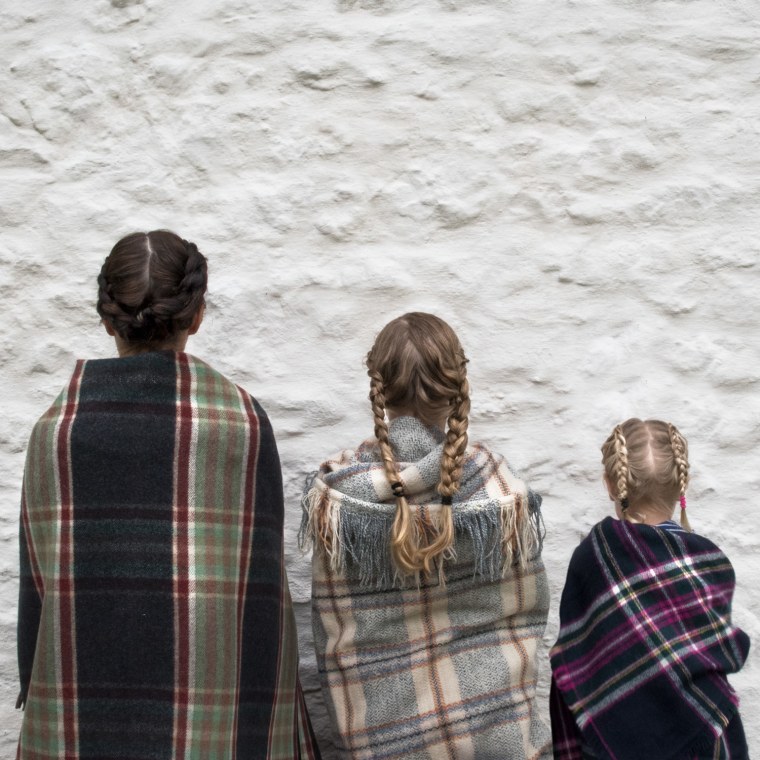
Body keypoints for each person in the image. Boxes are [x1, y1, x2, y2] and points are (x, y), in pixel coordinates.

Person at [17, 230, 319, 759]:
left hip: (86, 711)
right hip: (214, 715)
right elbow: (259, 598)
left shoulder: (58, 432)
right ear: (196, 316)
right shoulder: (241, 424)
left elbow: (40, 581)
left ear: (107, 319)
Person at [300, 312, 552, 760]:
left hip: (379, 737)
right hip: (494, 733)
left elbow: (334, 625)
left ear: (377, 387)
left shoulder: (337, 496)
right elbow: (523, 608)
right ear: (457, 386)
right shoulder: (501, 490)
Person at [550, 418, 750, 760]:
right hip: (709, 737)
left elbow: (572, 664)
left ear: (611, 485)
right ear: (681, 486)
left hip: (614, 743)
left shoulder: (594, 558)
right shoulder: (709, 560)